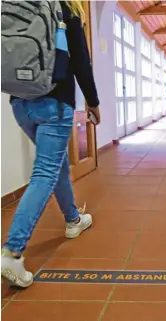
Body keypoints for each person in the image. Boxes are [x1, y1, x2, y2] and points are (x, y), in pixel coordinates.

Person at [1, 1, 100, 288]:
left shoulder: (15, 4)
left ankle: (73, 220)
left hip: (20, 102)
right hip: (54, 103)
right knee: (45, 172)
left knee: (53, 165)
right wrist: (93, 102)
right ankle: (12, 252)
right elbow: (80, 60)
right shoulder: (66, 9)